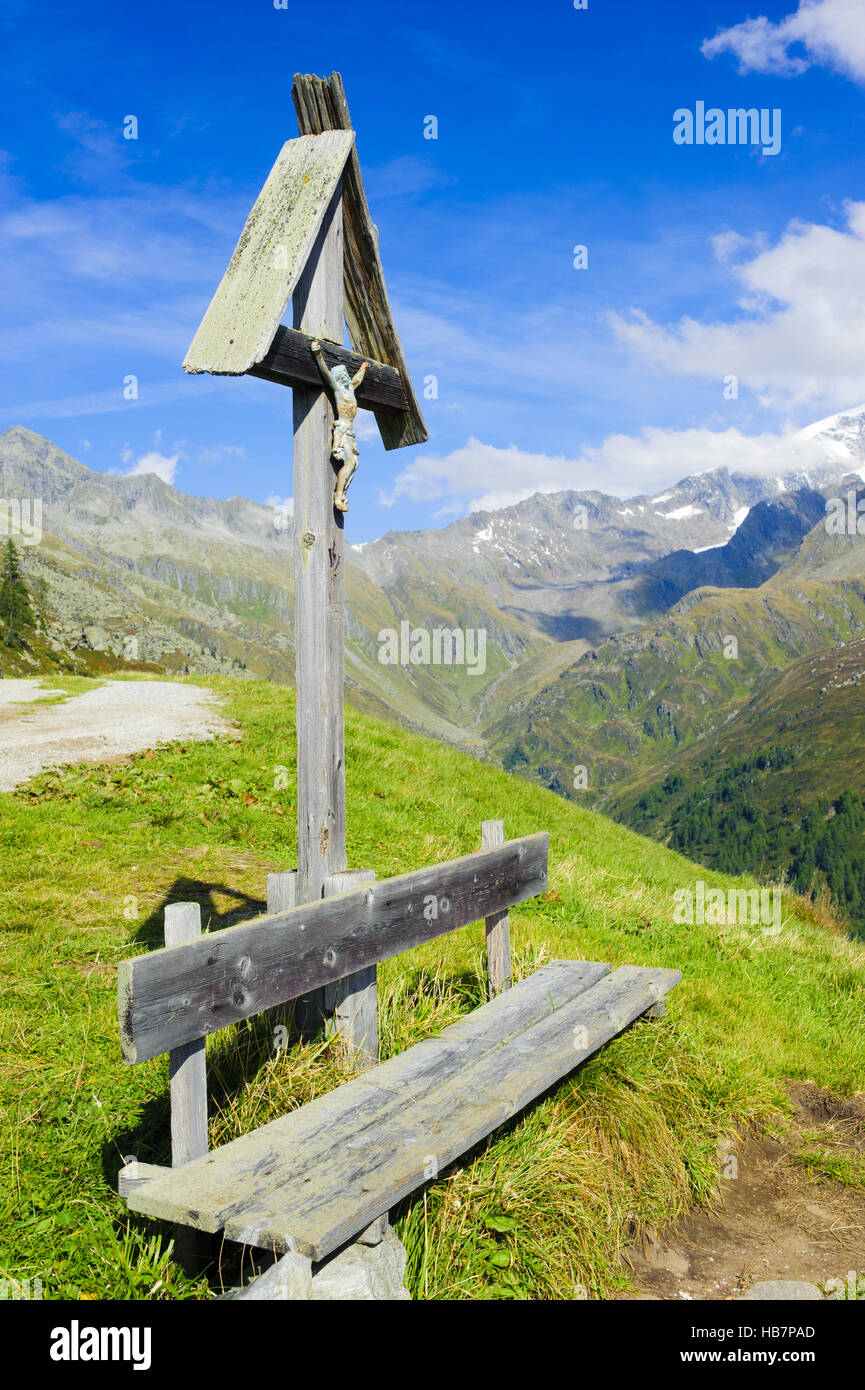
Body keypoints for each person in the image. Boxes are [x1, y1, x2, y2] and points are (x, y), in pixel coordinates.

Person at [310, 340, 370, 512]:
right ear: (337, 377)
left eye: (344, 372)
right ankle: (338, 497)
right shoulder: (337, 388)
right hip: (342, 429)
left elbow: (358, 379)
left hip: (350, 431)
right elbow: (325, 372)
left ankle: (342, 494)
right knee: (350, 463)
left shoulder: (350, 388)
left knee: (354, 464)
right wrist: (318, 354)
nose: (344, 374)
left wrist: (363, 368)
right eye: (340, 373)